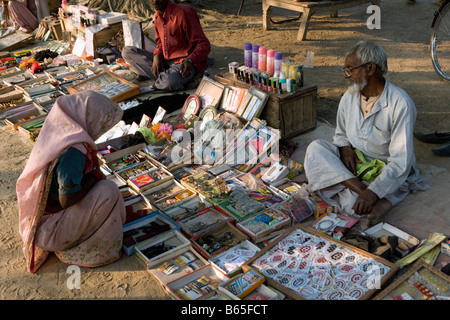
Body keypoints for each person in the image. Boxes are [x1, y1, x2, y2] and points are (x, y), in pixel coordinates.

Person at [303, 40, 426, 229]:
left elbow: (401, 162)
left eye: (350, 70)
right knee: (315, 148)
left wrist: (374, 190)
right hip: (355, 165)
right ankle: (363, 192)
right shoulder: (350, 95)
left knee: (352, 208)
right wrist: (344, 148)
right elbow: (341, 132)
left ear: (370, 68)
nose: (346, 76)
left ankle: (373, 196)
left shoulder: (400, 104)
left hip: (382, 169)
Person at [16, 90, 126, 273]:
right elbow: (66, 200)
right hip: (51, 232)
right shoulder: (73, 150)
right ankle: (92, 248)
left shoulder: (58, 135)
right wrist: (93, 179)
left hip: (40, 225)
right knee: (108, 191)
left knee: (102, 188)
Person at [122, 0, 211, 91]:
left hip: (185, 64)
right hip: (166, 62)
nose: (155, 1)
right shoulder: (157, 16)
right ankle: (166, 77)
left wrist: (190, 60)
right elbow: (160, 42)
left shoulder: (183, 12)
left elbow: (204, 44)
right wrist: (156, 56)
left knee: (169, 81)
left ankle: (169, 79)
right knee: (127, 52)